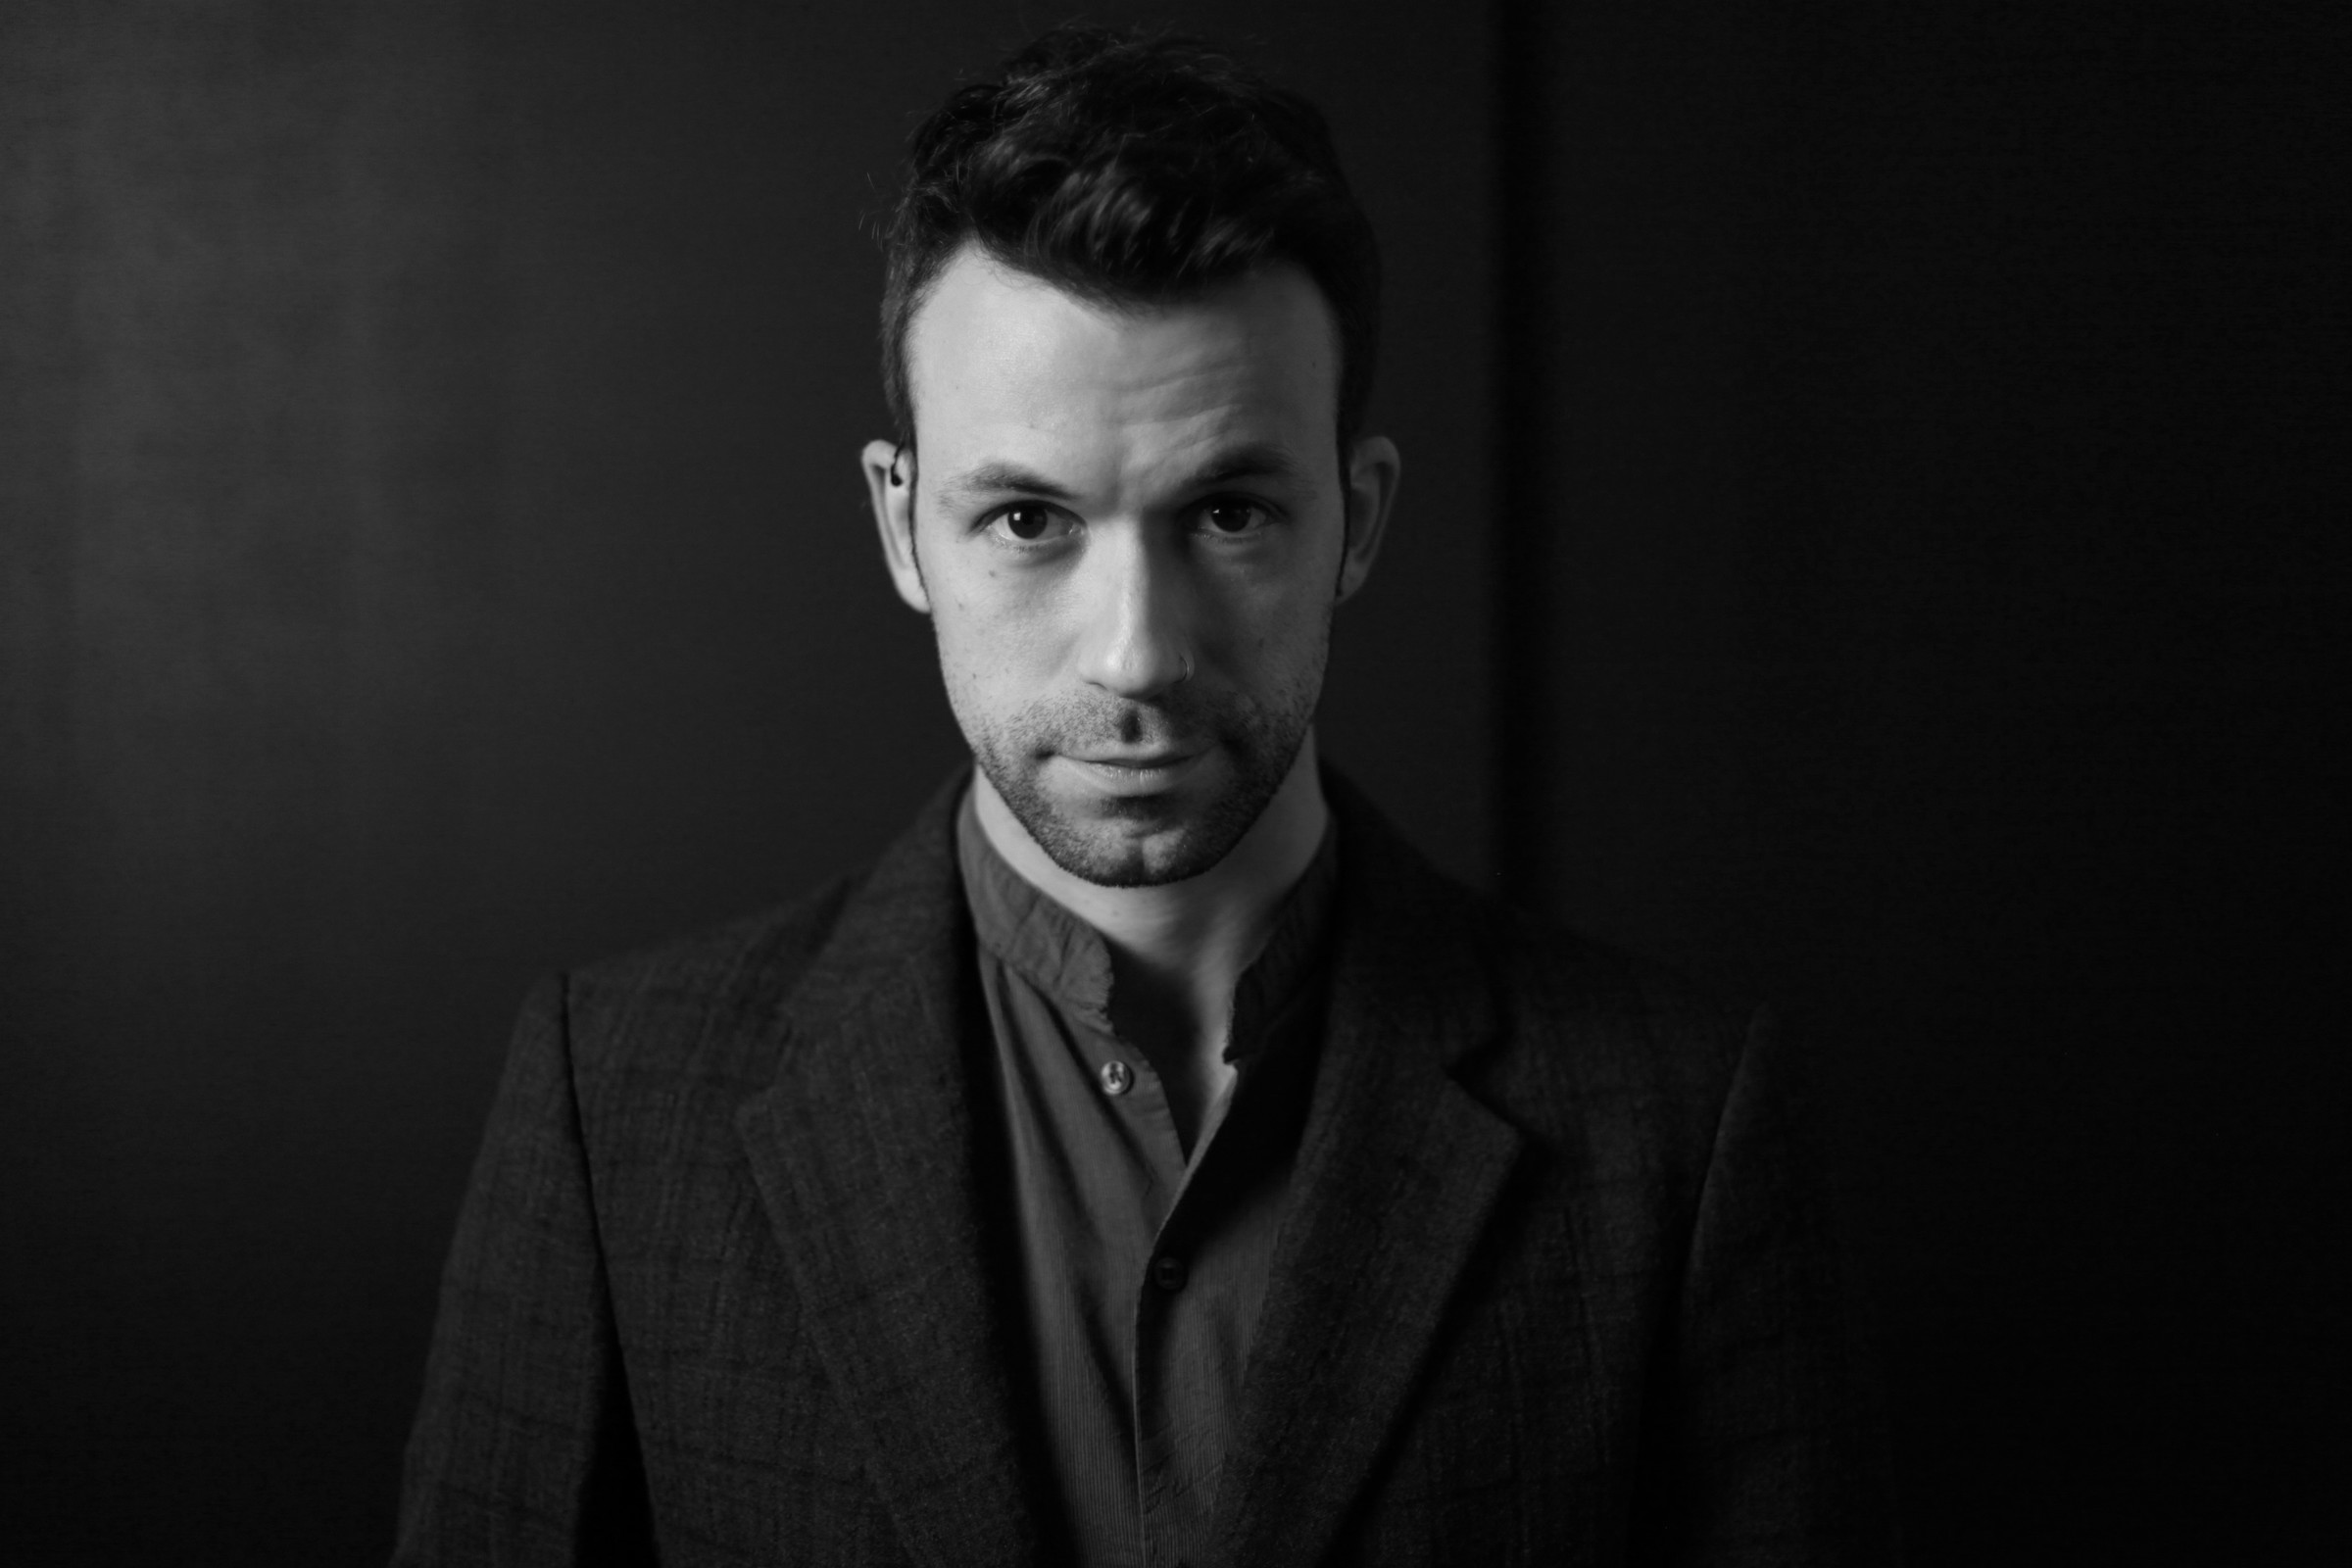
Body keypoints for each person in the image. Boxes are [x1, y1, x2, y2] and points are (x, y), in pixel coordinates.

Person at [393, 25, 1900, 1567]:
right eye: (1028, 520)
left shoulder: (1674, 1126)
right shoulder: (618, 1108)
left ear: (1358, 520)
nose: (1136, 653)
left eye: (1230, 511)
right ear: (904, 531)